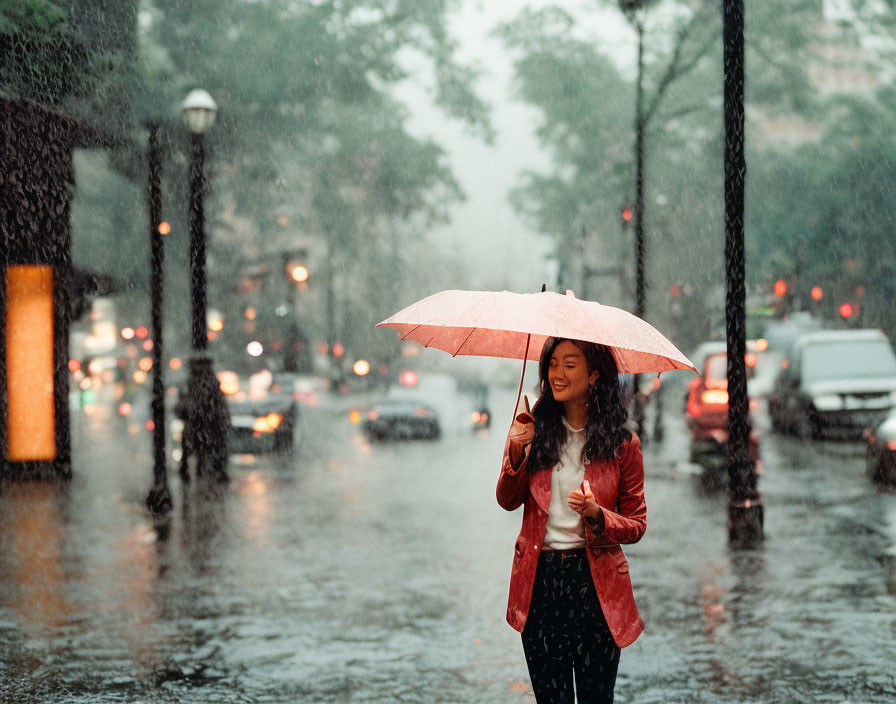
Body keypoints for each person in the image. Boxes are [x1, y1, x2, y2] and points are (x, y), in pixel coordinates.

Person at [496, 337, 647, 704]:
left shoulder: (622, 444)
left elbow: (637, 523)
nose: (557, 374)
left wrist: (599, 516)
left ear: (593, 374)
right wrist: (517, 450)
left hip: (596, 587)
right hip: (541, 584)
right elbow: (507, 500)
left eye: (569, 364)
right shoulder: (533, 429)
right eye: (552, 364)